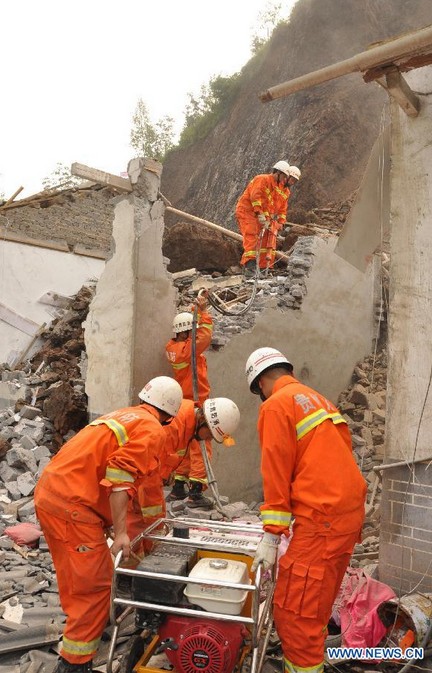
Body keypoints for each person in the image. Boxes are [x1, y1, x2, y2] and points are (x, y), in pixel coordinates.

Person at [34, 376, 183, 673]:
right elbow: (119, 479)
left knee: (81, 579)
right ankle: (74, 664)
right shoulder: (152, 429)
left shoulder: (124, 415)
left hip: (55, 495)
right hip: (73, 507)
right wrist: (122, 532)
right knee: (94, 586)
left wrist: (109, 523)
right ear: (170, 414)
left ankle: (81, 637)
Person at [245, 347, 367, 673]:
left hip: (322, 519)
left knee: (295, 614)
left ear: (259, 385)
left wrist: (271, 537)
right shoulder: (319, 400)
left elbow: (276, 470)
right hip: (345, 515)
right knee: (316, 605)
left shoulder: (276, 406)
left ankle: (305, 665)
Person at [165, 293, 213, 500]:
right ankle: (196, 491)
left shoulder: (173, 348)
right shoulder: (187, 350)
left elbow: (194, 339)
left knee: (182, 445)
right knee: (201, 444)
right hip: (195, 401)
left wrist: (196, 312)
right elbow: (204, 338)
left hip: (181, 404)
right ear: (186, 333)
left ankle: (178, 487)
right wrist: (204, 314)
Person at [161, 397, 240, 508]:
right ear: (202, 419)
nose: (209, 439)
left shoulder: (187, 421)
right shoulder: (175, 426)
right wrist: (164, 474)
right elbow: (152, 462)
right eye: (210, 435)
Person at [235, 161, 299, 277]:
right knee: (251, 236)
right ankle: (250, 268)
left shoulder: (278, 187)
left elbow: (278, 207)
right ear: (278, 172)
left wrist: (279, 222)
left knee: (265, 241)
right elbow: (255, 197)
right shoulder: (263, 179)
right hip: (247, 212)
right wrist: (260, 213)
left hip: (261, 216)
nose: (286, 180)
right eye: (285, 176)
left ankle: (262, 269)